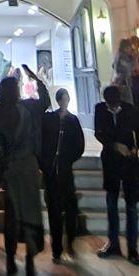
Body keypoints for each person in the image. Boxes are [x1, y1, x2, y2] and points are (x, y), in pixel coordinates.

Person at [0, 64, 49, 276]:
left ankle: (10, 258)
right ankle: (29, 259)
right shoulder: (28, 108)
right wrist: (37, 79)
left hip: (11, 169)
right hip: (27, 167)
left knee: (12, 215)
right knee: (30, 214)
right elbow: (45, 101)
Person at [94, 83, 139, 265]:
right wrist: (114, 145)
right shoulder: (100, 110)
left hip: (129, 163)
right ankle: (113, 243)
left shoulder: (129, 110)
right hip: (111, 161)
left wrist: (134, 147)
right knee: (111, 204)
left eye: (114, 103)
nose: (112, 107)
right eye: (110, 104)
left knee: (131, 207)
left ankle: (133, 248)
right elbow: (98, 133)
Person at [40, 88, 85, 264]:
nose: (64, 102)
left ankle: (70, 242)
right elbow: (42, 141)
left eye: (66, 98)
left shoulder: (72, 120)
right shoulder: (49, 119)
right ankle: (57, 247)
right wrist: (45, 162)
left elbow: (78, 145)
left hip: (65, 171)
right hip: (51, 171)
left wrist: (67, 159)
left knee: (70, 208)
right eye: (62, 99)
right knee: (54, 210)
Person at [111, 37, 138, 105]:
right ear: (125, 48)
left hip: (123, 82)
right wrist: (134, 57)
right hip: (122, 83)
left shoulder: (120, 55)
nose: (130, 50)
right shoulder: (122, 57)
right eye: (129, 48)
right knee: (126, 103)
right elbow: (130, 67)